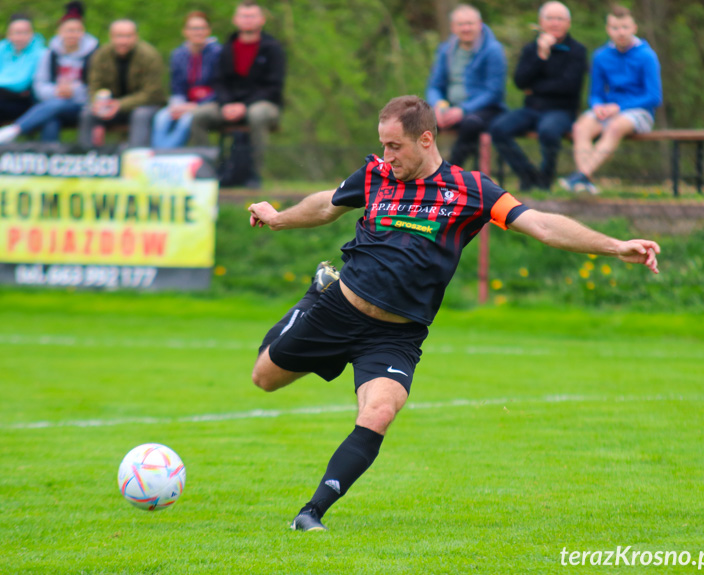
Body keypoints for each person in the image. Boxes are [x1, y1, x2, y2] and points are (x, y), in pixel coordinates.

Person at [247, 95, 660, 532]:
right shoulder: (375, 175)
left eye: (395, 146)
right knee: (264, 379)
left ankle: (311, 513)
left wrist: (615, 246)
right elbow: (327, 204)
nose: (387, 155)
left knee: (380, 412)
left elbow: (539, 224)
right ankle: (317, 291)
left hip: (395, 336)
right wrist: (277, 218)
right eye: (383, 145)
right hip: (338, 309)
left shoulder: (471, 190)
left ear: (426, 139)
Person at [558, 5, 662, 194]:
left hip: (639, 112)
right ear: (608, 29)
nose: (620, 32)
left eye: (625, 27)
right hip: (608, 109)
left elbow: (654, 97)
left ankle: (581, 175)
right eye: (615, 28)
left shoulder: (647, 56)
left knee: (614, 127)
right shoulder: (601, 56)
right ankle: (584, 182)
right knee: (580, 127)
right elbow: (595, 93)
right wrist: (597, 106)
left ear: (634, 28)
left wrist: (619, 107)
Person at [489, 2, 587, 191]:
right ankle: (528, 176)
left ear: (568, 23)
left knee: (548, 131)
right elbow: (520, 81)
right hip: (531, 109)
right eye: (550, 18)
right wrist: (541, 55)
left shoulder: (577, 51)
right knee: (498, 129)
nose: (554, 23)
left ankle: (545, 182)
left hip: (561, 111)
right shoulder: (531, 49)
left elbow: (569, 86)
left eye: (560, 19)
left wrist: (535, 88)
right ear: (541, 22)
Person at [190, 0, 286, 188]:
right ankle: (207, 172)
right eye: (243, 15)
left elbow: (274, 86)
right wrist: (226, 104)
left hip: (264, 104)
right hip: (228, 105)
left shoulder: (273, 48)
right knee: (199, 115)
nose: (247, 20)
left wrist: (245, 105)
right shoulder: (227, 47)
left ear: (262, 20)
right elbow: (219, 81)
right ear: (235, 20)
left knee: (256, 114)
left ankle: (254, 175)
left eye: (252, 16)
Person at [0, 2, 98, 144]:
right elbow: (39, 84)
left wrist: (73, 91)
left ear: (83, 32)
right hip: (52, 104)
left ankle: (15, 129)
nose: (72, 34)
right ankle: (48, 158)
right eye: (68, 30)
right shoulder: (49, 54)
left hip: (81, 105)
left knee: (55, 106)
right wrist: (56, 91)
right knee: (50, 118)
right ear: (60, 32)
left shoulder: (95, 55)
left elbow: (96, 85)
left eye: (76, 30)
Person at [426, 4, 506, 169]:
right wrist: (439, 105)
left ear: (480, 24)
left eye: (470, 23)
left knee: (471, 124)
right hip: (450, 107)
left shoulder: (493, 50)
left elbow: (494, 91)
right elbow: (434, 85)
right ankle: (417, 172)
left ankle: (449, 173)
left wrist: (463, 110)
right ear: (453, 27)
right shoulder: (445, 50)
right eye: (461, 24)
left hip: (486, 110)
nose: (466, 28)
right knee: (420, 121)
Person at [78, 19, 165, 147]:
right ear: (111, 37)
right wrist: (97, 103)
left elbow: (152, 93)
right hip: (110, 107)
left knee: (140, 115)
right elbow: (94, 85)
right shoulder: (101, 55)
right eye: (119, 36)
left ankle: (135, 158)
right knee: (88, 114)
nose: (123, 41)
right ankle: (86, 157)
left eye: (128, 36)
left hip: (145, 106)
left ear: (136, 37)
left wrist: (120, 104)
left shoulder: (150, 56)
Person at [151, 11, 222, 149]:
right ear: (185, 31)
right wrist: (177, 105)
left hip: (209, 103)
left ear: (208, 30)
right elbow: (176, 86)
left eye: (201, 28)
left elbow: (221, 87)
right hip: (184, 103)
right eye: (193, 28)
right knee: (161, 118)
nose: (198, 32)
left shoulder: (218, 53)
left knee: (187, 120)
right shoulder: (178, 55)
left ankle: (168, 155)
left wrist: (196, 105)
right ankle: (159, 155)